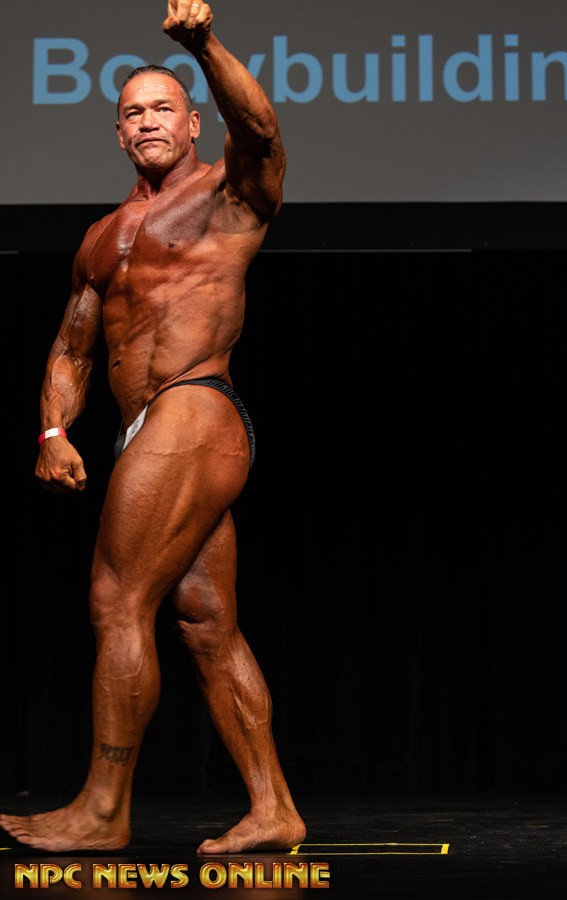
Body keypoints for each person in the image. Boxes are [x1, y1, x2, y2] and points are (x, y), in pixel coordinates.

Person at [0, 0, 305, 855]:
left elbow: (263, 130)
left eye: (162, 108)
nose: (147, 122)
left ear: (193, 122)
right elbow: (72, 348)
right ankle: (274, 807)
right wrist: (53, 434)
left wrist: (203, 44)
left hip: (196, 405)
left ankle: (103, 810)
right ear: (118, 133)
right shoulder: (102, 237)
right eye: (132, 113)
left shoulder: (229, 194)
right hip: (142, 429)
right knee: (205, 624)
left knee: (116, 598)